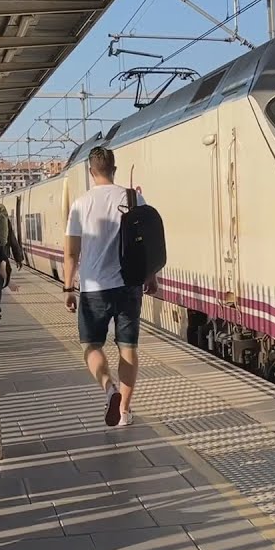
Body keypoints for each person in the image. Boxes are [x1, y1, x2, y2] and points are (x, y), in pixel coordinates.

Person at [64, 147, 157, 427]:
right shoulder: (133, 197)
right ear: (114, 169)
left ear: (92, 172)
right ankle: (125, 412)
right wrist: (151, 276)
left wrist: (68, 287)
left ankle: (109, 389)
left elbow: (71, 253)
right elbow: (148, 242)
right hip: (129, 286)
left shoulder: (81, 204)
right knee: (128, 349)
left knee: (91, 346)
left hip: (93, 288)